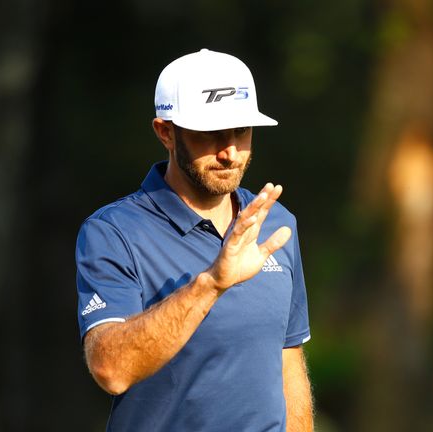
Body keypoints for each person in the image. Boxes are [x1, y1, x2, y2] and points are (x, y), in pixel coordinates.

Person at [75, 48, 313, 431]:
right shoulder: (113, 231)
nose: (231, 152)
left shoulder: (275, 222)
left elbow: (287, 358)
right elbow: (111, 369)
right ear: (165, 132)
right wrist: (212, 282)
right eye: (211, 135)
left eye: (242, 131)